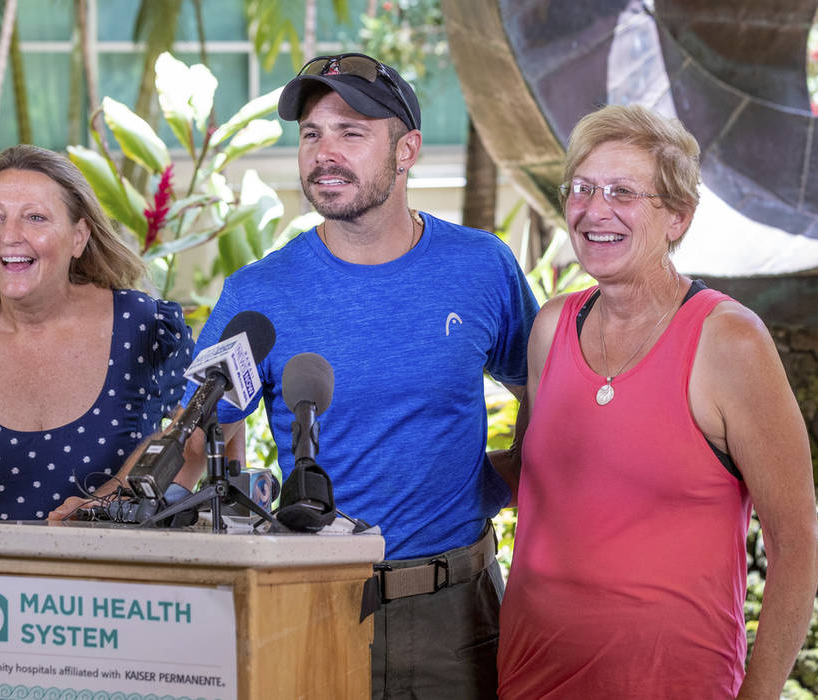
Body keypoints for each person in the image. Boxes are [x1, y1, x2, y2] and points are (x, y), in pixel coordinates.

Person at [62, 52, 536, 699]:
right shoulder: (260, 295)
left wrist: (508, 476)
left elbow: (542, 391)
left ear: (408, 150)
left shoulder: (482, 267)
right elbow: (192, 440)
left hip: (456, 611)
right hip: (314, 602)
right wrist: (101, 508)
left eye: (351, 132)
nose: (324, 152)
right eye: (312, 134)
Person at [496, 104, 818, 699]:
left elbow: (797, 544)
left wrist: (760, 694)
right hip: (529, 680)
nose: (595, 210)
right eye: (584, 188)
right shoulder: (550, 328)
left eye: (623, 192)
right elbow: (544, 486)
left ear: (677, 216)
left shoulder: (729, 340)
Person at [0, 144, 194, 700]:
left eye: (35, 217)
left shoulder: (143, 328)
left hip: (112, 627)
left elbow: (199, 440)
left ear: (79, 237)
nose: (8, 235)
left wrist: (117, 498)